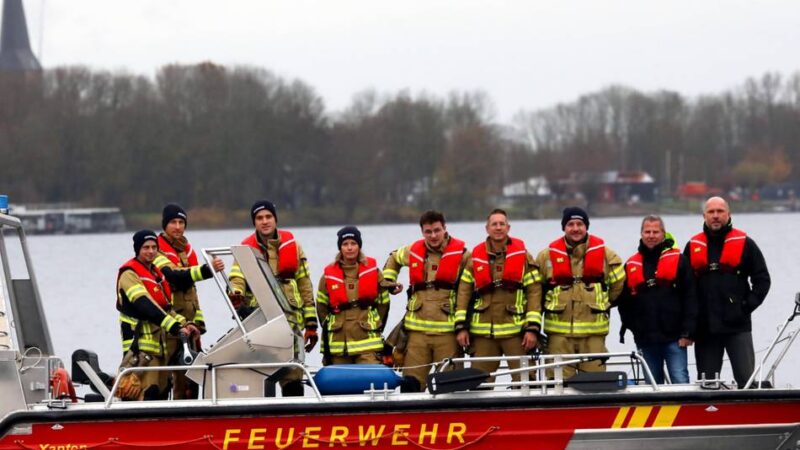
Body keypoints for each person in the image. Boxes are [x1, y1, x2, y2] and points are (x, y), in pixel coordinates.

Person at [228, 200, 318, 396]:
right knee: (263, 376)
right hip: (260, 322)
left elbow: (305, 285)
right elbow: (237, 276)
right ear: (254, 222)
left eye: (268, 217)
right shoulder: (246, 248)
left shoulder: (293, 246)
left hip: (290, 323)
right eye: (259, 218)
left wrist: (311, 324)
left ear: (275, 219)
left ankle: (293, 422)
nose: (265, 221)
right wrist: (236, 293)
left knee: (293, 378)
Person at [684, 196, 770, 387]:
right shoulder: (692, 246)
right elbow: (685, 288)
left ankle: (752, 415)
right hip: (706, 329)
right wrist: (689, 325)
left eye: (720, 211)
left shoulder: (746, 243)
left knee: (746, 382)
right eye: (711, 212)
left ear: (728, 214)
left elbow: (762, 280)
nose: (716, 216)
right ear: (704, 216)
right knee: (708, 384)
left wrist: (745, 307)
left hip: (737, 326)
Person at [382, 210, 469, 391]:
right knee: (411, 386)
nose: (433, 235)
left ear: (445, 228)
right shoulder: (413, 251)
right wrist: (389, 282)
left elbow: (470, 291)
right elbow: (393, 258)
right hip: (417, 334)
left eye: (437, 230)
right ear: (422, 232)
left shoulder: (463, 255)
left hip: (448, 334)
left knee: (450, 387)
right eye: (428, 232)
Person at [536, 206, 625, 379]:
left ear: (586, 227)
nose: (575, 228)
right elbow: (535, 292)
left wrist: (602, 304)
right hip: (558, 337)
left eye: (580, 224)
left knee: (595, 384)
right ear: (564, 227)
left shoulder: (607, 255)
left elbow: (618, 286)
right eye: (570, 224)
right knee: (558, 385)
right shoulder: (545, 257)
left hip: (594, 336)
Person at [455, 209, 542, 383]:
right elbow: (463, 294)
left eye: (502, 224)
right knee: (479, 385)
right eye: (494, 224)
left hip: (517, 334)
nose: (498, 227)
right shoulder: (475, 259)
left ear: (508, 227)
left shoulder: (524, 257)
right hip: (483, 336)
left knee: (526, 382)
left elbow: (534, 292)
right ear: (487, 228)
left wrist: (532, 329)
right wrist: (461, 327)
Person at [116, 230, 199, 400]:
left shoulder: (156, 275)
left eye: (154, 247)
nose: (151, 251)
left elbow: (167, 308)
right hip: (139, 353)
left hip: (159, 351)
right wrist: (174, 327)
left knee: (162, 393)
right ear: (137, 249)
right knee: (145, 395)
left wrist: (185, 324)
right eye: (146, 247)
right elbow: (145, 305)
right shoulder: (129, 274)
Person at [153, 203, 225, 399]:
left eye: (181, 222)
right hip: (169, 328)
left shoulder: (186, 251)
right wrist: (207, 270)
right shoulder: (156, 250)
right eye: (173, 222)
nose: (177, 227)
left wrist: (199, 324)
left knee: (191, 383)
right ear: (164, 225)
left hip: (190, 329)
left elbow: (191, 292)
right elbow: (174, 276)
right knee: (166, 381)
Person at [617, 215, 697, 384]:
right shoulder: (631, 264)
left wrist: (688, 332)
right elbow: (624, 304)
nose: (651, 235)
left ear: (663, 234)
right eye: (647, 231)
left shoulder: (680, 261)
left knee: (680, 380)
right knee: (652, 386)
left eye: (656, 231)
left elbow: (691, 298)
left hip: (676, 339)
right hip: (646, 340)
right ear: (641, 234)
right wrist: (635, 329)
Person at [316, 226, 390, 364]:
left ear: (359, 246)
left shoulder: (374, 272)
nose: (349, 248)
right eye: (345, 244)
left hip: (368, 343)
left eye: (353, 243)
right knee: (340, 384)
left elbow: (383, 304)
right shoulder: (327, 275)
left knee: (370, 380)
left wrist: (373, 323)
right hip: (338, 345)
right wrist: (334, 325)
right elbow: (321, 307)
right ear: (340, 248)